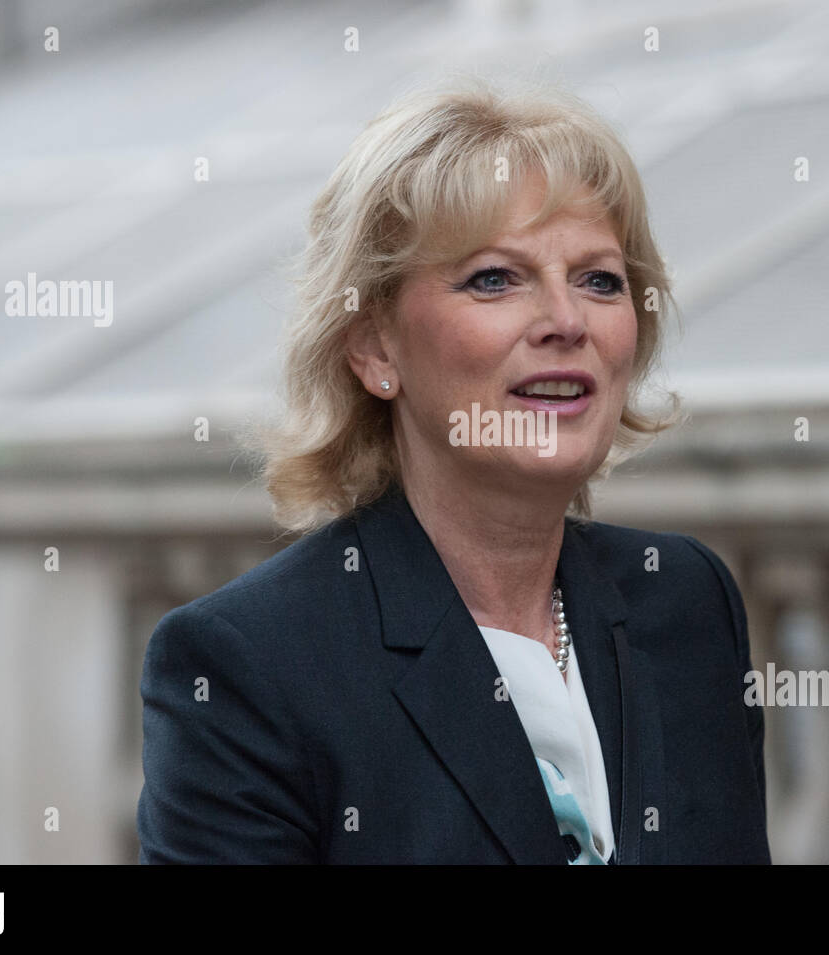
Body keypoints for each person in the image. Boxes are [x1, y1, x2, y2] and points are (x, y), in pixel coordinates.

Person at [136, 73, 770, 864]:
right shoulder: (246, 666)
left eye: (599, 280)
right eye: (495, 279)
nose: (566, 321)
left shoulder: (687, 601)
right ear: (373, 347)